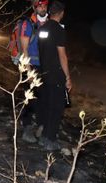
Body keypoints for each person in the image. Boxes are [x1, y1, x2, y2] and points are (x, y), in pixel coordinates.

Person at [37, 0, 71, 151]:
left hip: (44, 72)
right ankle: (50, 140)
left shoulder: (42, 29)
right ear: (62, 13)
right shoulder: (59, 30)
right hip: (56, 74)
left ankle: (44, 137)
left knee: (47, 105)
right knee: (56, 108)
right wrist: (68, 78)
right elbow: (62, 55)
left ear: (50, 12)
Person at [19, 0, 49, 143]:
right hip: (30, 65)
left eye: (45, 5)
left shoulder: (48, 23)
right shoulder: (28, 24)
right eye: (40, 6)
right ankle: (27, 127)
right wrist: (28, 71)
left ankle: (41, 125)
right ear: (34, 7)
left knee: (43, 98)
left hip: (43, 66)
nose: (43, 8)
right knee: (30, 98)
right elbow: (24, 50)